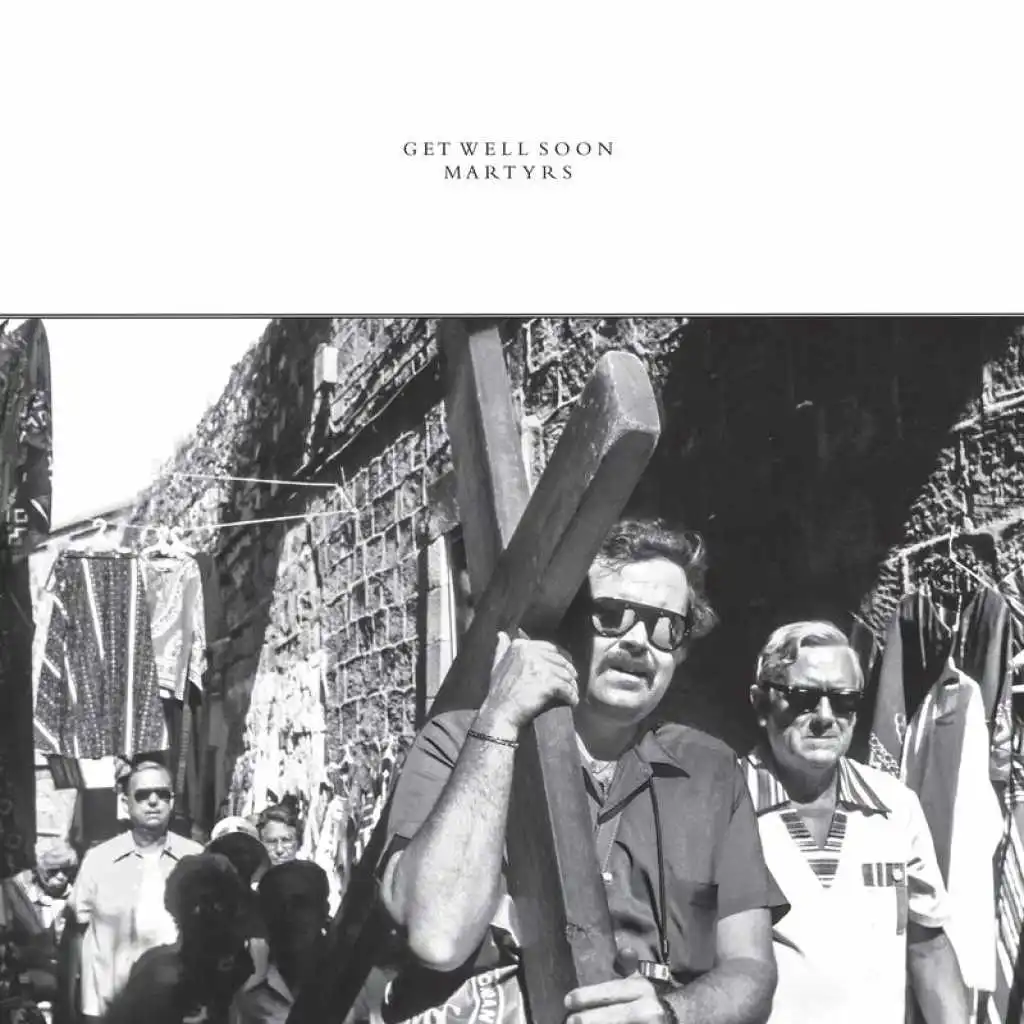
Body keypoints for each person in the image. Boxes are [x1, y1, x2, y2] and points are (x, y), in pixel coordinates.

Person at [379, 517, 783, 1024]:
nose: (639, 641)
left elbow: (752, 972)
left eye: (665, 627)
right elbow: (437, 938)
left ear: (681, 651)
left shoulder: (711, 771)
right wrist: (500, 718)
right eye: (611, 616)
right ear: (564, 626)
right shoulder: (459, 741)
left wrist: (670, 1013)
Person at [744, 621, 969, 1024]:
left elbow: (928, 947)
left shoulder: (894, 805)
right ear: (762, 704)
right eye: (804, 698)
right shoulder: (725, 804)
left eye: (844, 701)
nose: (825, 717)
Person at [68, 760, 203, 1022]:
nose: (153, 801)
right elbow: (75, 933)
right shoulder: (98, 860)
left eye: (162, 794)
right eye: (142, 795)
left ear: (172, 802)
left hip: (178, 1008)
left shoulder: (196, 859)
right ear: (124, 803)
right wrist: (69, 1005)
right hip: (111, 1010)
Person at [101, 853, 253, 1024]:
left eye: (216, 903)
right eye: (197, 904)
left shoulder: (246, 970)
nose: (205, 911)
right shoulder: (156, 973)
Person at [230, 861, 330, 1024]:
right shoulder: (241, 992)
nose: (288, 915)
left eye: (300, 904)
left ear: (323, 910)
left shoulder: (360, 981)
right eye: (276, 904)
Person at [0, 840, 78, 1019]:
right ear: (38, 868)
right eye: (53, 871)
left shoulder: (77, 894)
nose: (61, 877)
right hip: (27, 980)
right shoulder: (15, 892)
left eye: (66, 870)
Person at [255, 804, 301, 869]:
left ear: (298, 843)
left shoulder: (311, 874)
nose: (279, 850)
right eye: (271, 842)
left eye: (286, 840)